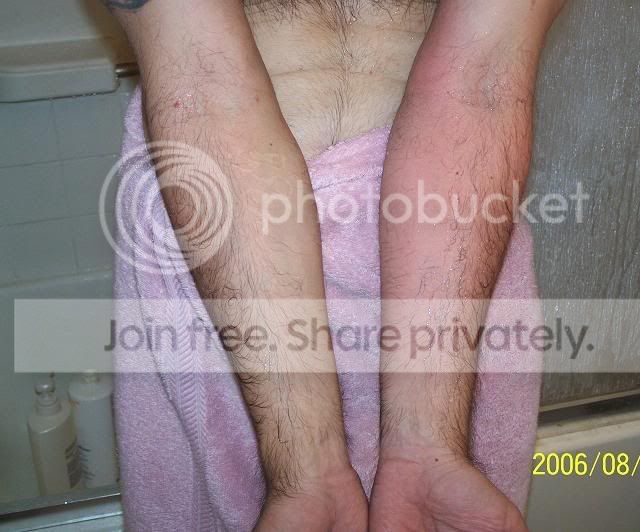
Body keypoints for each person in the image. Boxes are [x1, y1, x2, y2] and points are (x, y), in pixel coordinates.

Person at [107, 0, 565, 530]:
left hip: (461, 237)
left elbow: (483, 77)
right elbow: (199, 78)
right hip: (217, 237)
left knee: (446, 501)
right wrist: (303, 470)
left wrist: (429, 443)